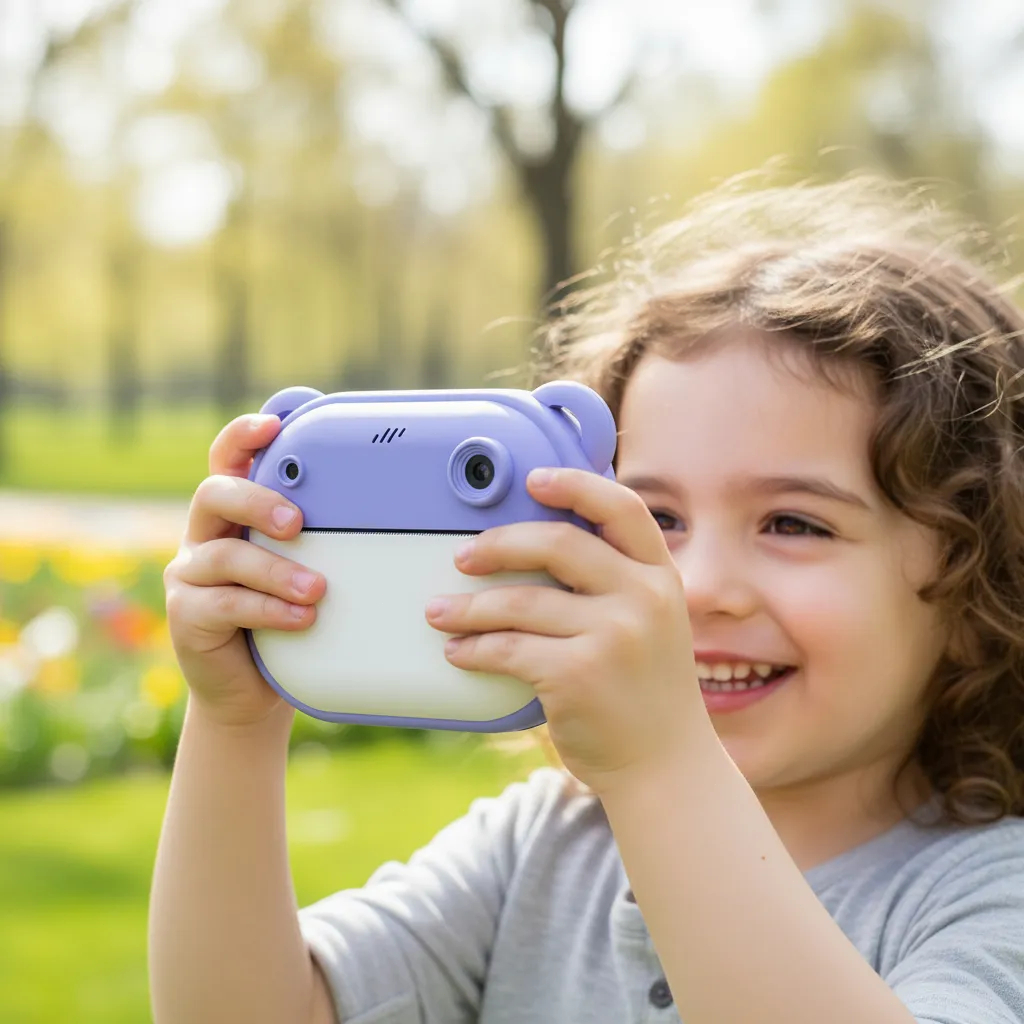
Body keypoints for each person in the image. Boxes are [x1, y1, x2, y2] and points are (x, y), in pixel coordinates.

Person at [149, 175, 1024, 1024]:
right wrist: (233, 724)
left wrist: (659, 765)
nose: (693, 587)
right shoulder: (541, 846)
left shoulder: (991, 896)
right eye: (653, 517)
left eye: (794, 523)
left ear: (975, 575)